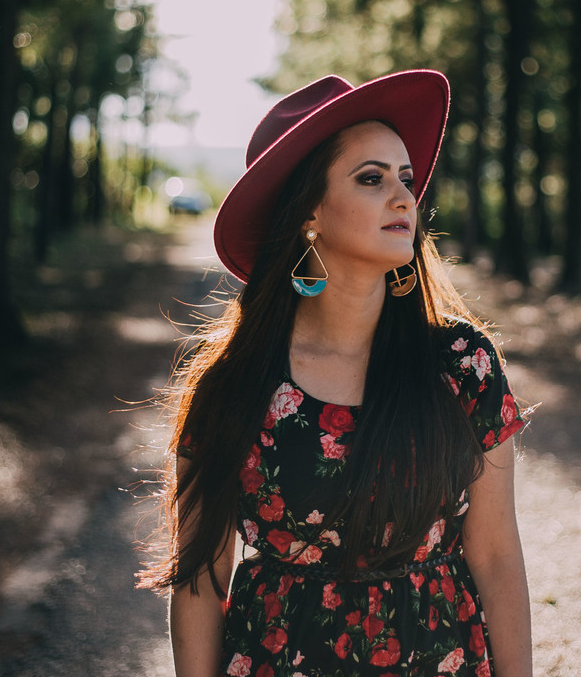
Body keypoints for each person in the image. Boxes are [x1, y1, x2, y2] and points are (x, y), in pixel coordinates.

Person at [139, 69, 532, 676]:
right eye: (371, 179)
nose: (405, 196)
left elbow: (497, 554)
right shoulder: (235, 386)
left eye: (406, 178)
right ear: (309, 214)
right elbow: (202, 577)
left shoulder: (463, 365)